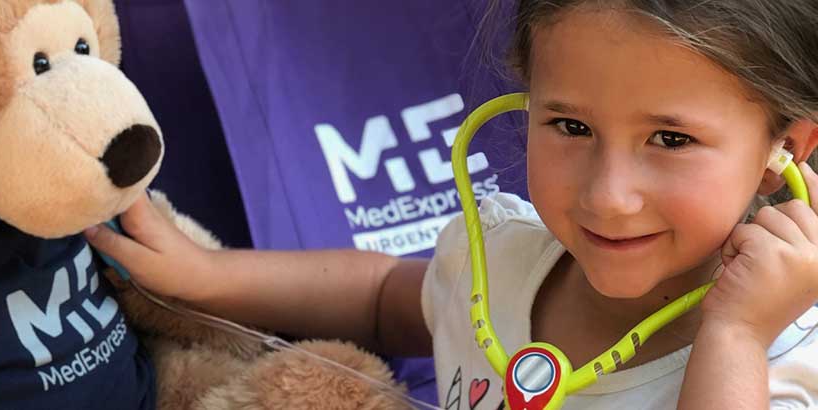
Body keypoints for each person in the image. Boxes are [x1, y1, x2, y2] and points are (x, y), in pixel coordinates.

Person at [85, 0, 818, 408]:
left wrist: (735, 339)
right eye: (570, 126)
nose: (608, 195)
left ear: (784, 150)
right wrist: (206, 275)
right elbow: (380, 296)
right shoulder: (502, 253)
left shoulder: (782, 366)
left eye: (670, 138)